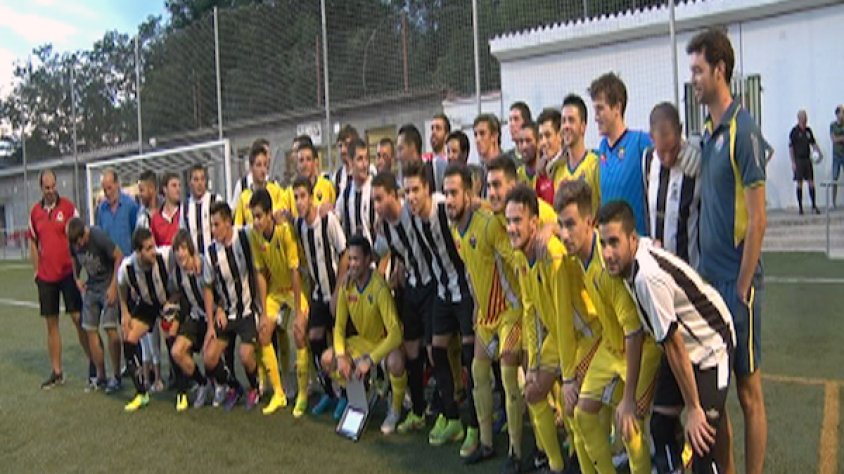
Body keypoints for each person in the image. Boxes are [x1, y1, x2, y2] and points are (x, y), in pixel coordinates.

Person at [597, 200, 736, 474]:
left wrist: (694, 408)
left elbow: (674, 345)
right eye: (603, 243)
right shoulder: (629, 263)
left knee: (701, 442)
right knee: (661, 428)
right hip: (684, 345)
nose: (607, 253)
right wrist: (628, 398)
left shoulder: (646, 278)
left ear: (632, 239)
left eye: (614, 242)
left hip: (711, 346)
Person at [688, 28, 767, 474]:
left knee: (748, 394)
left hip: (736, 287)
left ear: (720, 70)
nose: (693, 79)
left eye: (699, 70)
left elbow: (759, 219)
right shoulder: (707, 131)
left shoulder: (743, 129)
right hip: (708, 286)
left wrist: (742, 286)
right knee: (715, 398)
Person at [555, 181, 661, 474]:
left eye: (570, 225)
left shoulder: (605, 267)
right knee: (582, 415)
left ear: (590, 223)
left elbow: (634, 331)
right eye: (560, 225)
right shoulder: (581, 256)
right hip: (612, 347)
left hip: (641, 348)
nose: (564, 234)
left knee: (629, 423)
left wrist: (628, 399)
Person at [442, 164, 522, 466]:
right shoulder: (455, 230)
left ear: (469, 194)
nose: (449, 200)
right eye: (446, 193)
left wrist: (530, 304)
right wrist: (477, 305)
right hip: (486, 318)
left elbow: (516, 260)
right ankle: (487, 444)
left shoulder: (488, 224)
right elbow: (470, 270)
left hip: (510, 314)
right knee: (477, 373)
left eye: (454, 193)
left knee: (509, 377)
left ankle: (516, 451)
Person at [403, 159, 473, 449]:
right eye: (407, 191)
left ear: (428, 189)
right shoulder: (414, 218)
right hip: (443, 291)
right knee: (436, 352)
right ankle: (453, 418)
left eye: (415, 190)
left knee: (471, 358)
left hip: (466, 290)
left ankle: (475, 426)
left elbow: (474, 210)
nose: (411, 197)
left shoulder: (445, 207)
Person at [505, 185, 569, 474]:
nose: (511, 228)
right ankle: (555, 465)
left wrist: (569, 374)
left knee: (577, 406)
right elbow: (530, 311)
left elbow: (567, 319)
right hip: (557, 337)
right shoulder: (520, 257)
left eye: (517, 221)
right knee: (532, 392)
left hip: (581, 337)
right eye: (508, 221)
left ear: (534, 222)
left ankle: (579, 460)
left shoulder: (551, 253)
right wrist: (533, 363)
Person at [319, 235, 406, 435]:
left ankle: (395, 409)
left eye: (356, 259)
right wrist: (341, 355)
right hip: (362, 342)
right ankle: (359, 395)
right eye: (350, 259)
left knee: (395, 362)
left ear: (368, 260)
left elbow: (395, 333)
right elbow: (339, 327)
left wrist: (370, 360)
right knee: (328, 359)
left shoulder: (379, 288)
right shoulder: (347, 285)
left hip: (382, 344)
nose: (352, 264)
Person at [372, 170, 435, 435]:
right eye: (373, 201)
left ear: (394, 195)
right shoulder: (383, 228)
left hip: (433, 284)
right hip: (411, 289)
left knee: (435, 350)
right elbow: (386, 251)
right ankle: (419, 410)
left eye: (380, 199)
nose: (376, 206)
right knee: (411, 351)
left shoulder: (412, 211)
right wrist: (397, 267)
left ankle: (448, 409)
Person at [293, 176, 349, 418]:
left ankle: (346, 394)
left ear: (311, 197)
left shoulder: (328, 220)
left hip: (336, 292)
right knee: (314, 338)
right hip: (318, 293)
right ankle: (329, 391)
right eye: (296, 197)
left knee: (340, 344)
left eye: (302, 196)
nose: (299, 202)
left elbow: (344, 254)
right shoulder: (299, 226)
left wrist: (338, 292)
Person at [29, 169, 91, 389]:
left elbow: (80, 237)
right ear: (41, 188)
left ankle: (94, 364)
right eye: (47, 187)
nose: (51, 190)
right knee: (51, 324)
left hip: (67, 274)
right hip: (46, 278)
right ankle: (57, 372)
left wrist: (78, 272)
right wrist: (36, 271)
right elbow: (33, 242)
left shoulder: (68, 208)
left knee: (78, 319)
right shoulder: (35, 213)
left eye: (53, 186)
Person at [249, 189, 307, 415]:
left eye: (259, 216)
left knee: (299, 332)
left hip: (294, 289)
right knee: (264, 332)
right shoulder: (255, 236)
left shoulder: (285, 231)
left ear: (269, 214)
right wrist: (264, 312)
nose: (255, 221)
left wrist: (299, 311)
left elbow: (295, 271)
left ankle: (303, 394)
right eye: (253, 217)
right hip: (275, 291)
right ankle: (279, 393)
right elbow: (260, 273)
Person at [201, 202, 262, 411]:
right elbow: (208, 287)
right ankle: (234, 387)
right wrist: (211, 323)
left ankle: (255, 387)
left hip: (248, 311)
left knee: (245, 355)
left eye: (217, 224)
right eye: (211, 225)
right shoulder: (211, 252)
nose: (213, 230)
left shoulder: (245, 236)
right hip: (227, 313)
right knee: (209, 358)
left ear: (228, 223)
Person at [116, 228, 174, 412]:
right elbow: (121, 285)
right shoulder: (127, 267)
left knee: (172, 339)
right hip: (148, 305)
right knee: (129, 339)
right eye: (148, 248)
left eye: (153, 246)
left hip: (169, 302)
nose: (153, 251)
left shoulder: (166, 256)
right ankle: (142, 393)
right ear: (138, 252)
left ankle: (182, 389)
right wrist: (125, 312)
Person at [590, 73, 652, 235]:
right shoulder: (602, 147)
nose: (595, 117)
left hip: (637, 242)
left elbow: (669, 144)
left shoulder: (640, 142)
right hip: (610, 243)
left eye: (600, 109)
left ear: (617, 107)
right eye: (594, 110)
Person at [67, 217, 124, 394]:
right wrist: (76, 278)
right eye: (76, 244)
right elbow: (74, 259)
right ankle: (101, 375)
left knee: (110, 329)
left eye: (81, 241)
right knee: (90, 330)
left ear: (85, 233)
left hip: (107, 284)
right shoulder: (74, 243)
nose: (80, 245)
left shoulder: (97, 236)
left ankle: (117, 375)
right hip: (91, 288)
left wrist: (114, 286)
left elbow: (119, 256)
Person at [644, 102, 702, 267]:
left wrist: (699, 141)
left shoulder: (695, 161)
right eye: (662, 152)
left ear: (680, 130)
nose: (669, 158)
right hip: (658, 271)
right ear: (651, 137)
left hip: (690, 270)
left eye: (673, 148)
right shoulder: (647, 160)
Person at [168, 229, 214, 411]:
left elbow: (217, 289)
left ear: (191, 249)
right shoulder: (176, 274)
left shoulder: (203, 264)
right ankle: (202, 383)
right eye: (177, 250)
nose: (180, 253)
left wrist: (218, 311)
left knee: (210, 356)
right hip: (195, 318)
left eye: (183, 248)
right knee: (176, 352)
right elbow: (176, 295)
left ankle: (226, 385)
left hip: (214, 316)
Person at [552, 94, 601, 218]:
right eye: (563, 121)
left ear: (583, 127)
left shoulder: (595, 164)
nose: (566, 126)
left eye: (571, 120)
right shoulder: (558, 170)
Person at [234, 140, 296, 226]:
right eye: (258, 165)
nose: (263, 170)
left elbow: (285, 218)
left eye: (265, 165)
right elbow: (238, 227)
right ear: (251, 167)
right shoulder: (243, 197)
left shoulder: (276, 191)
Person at [335, 138, 377, 243]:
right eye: (360, 159)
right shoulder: (346, 193)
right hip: (353, 251)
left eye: (366, 158)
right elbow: (336, 218)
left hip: (375, 251)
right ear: (350, 162)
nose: (365, 164)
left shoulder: (376, 188)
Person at [181, 164, 223, 256]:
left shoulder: (215, 200)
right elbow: (183, 235)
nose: (199, 183)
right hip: (195, 259)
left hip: (217, 255)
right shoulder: (185, 207)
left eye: (202, 179)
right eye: (196, 180)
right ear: (190, 183)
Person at [96, 168, 138, 256]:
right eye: (104, 190)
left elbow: (136, 235)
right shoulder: (101, 209)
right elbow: (100, 238)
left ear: (117, 184)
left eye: (109, 188)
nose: (107, 193)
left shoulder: (131, 206)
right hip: (109, 261)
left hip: (128, 259)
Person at [790, 110, 824, 214]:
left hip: (807, 159)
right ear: (799, 119)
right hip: (799, 160)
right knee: (799, 183)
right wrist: (793, 162)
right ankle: (800, 207)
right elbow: (791, 148)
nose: (805, 120)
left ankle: (813, 205)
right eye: (803, 118)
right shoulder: (794, 132)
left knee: (811, 182)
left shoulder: (808, 131)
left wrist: (819, 153)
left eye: (805, 118)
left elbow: (813, 143)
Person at [516, 122, 554, 204]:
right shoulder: (517, 176)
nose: (524, 146)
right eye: (521, 142)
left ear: (538, 143)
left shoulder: (549, 173)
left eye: (528, 141)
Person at [296, 142, 336, 209]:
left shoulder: (327, 186)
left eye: (308, 159)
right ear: (297, 164)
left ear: (315, 162)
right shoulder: (290, 193)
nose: (305, 164)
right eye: (301, 160)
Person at [536, 108, 565, 177]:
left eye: (548, 135)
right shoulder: (539, 168)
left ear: (560, 136)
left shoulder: (568, 166)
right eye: (540, 137)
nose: (543, 142)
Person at [505, 101, 532, 165]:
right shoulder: (506, 159)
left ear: (527, 123)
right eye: (510, 120)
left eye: (516, 119)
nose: (511, 124)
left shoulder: (538, 156)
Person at [832, 105, 844, 207]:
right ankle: (833, 202)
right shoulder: (833, 126)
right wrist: (841, 138)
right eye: (841, 112)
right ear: (837, 114)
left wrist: (838, 138)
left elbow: (837, 139)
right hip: (836, 155)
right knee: (834, 179)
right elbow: (834, 139)